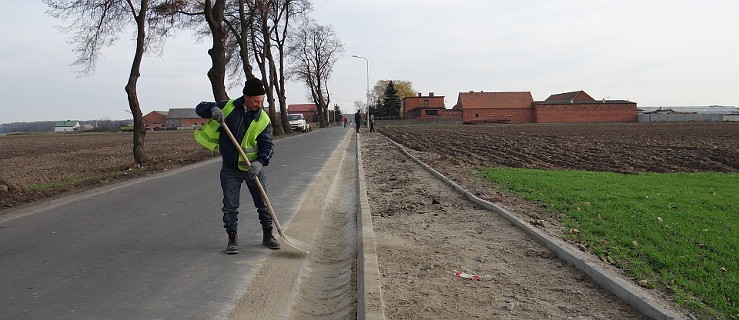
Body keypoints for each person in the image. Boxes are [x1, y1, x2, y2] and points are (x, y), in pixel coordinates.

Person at [194, 77, 280, 254]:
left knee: (263, 203)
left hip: (252, 169)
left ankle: (268, 234)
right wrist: (212, 109)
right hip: (230, 169)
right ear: (246, 97)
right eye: (256, 101)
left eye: (261, 101)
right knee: (230, 206)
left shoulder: (263, 119)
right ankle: (232, 237)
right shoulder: (228, 107)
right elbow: (200, 107)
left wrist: (260, 162)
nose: (259, 104)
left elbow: (267, 145)